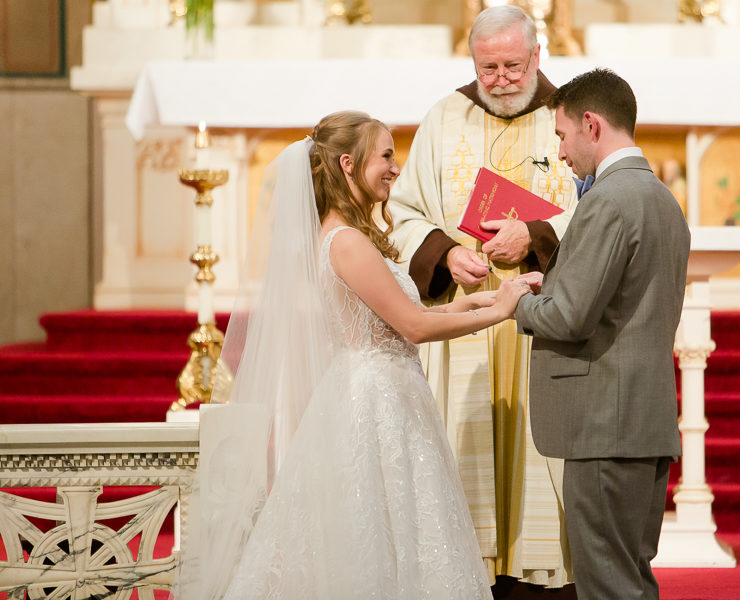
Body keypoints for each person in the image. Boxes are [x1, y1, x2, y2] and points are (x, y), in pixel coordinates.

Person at [173, 111, 531, 600]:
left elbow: (406, 312)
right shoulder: (347, 243)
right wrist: (503, 311)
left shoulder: (345, 237)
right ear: (348, 163)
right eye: (385, 155)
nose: (395, 167)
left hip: (384, 392)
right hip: (375, 403)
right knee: (382, 534)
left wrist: (493, 296)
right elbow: (415, 325)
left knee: (397, 531)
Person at [385, 5, 577, 585]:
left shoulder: (572, 116)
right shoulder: (444, 117)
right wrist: (444, 253)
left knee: (540, 462)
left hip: (545, 314)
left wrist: (537, 235)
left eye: (512, 66)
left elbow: (602, 209)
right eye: (487, 67)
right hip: (465, 315)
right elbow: (402, 211)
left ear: (537, 55)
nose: (499, 80)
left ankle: (538, 575)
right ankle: (470, 576)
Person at [512, 68, 691, 599]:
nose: (561, 153)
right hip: (641, 419)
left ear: (591, 125)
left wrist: (517, 303)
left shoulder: (608, 200)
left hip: (604, 427)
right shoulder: (661, 199)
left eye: (563, 136)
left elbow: (568, 317)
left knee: (606, 586)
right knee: (630, 580)